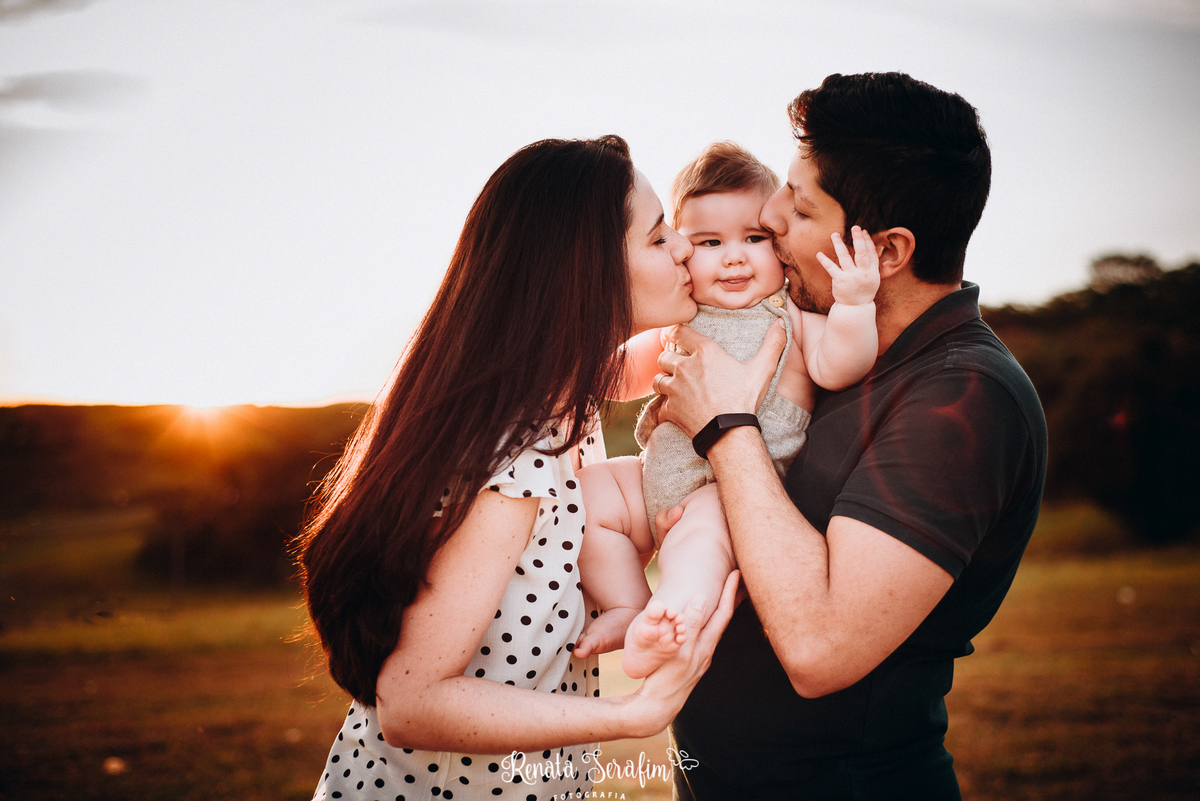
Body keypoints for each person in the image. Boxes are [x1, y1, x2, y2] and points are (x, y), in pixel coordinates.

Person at [296, 135, 739, 801]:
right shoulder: (515, 460)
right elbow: (412, 702)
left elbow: (651, 360)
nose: (685, 247)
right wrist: (630, 716)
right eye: (657, 237)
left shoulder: (569, 414)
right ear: (583, 273)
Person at [653, 73, 1048, 800]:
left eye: (799, 208)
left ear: (888, 252)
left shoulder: (964, 400)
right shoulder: (832, 348)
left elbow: (820, 648)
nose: (769, 216)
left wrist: (723, 424)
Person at [573, 141, 880, 680]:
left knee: (703, 540)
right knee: (587, 492)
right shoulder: (678, 321)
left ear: (779, 248)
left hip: (725, 489)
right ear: (681, 252)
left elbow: (841, 366)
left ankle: (675, 614)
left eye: (754, 238)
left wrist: (854, 305)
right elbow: (616, 380)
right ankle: (627, 602)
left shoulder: (790, 319)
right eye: (709, 242)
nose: (734, 256)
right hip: (653, 478)